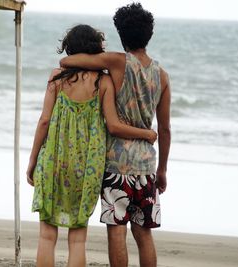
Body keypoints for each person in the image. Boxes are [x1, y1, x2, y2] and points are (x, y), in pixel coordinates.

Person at [26, 24, 157, 267]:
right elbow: (112, 123)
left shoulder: (56, 77)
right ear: (95, 50)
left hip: (53, 160)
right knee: (77, 240)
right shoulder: (104, 81)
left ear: (71, 48)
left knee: (46, 236)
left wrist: (33, 161)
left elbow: (44, 120)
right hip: (86, 167)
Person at [60, 3, 171, 267]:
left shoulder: (117, 62)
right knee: (144, 233)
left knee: (117, 231)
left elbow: (67, 61)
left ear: (121, 34)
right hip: (146, 165)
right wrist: (163, 170)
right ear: (149, 34)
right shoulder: (162, 76)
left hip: (116, 163)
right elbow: (164, 129)